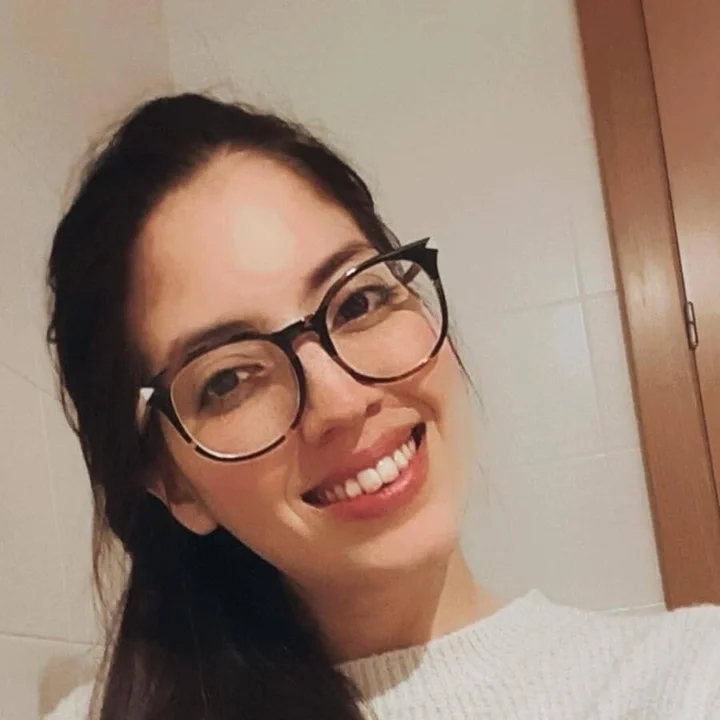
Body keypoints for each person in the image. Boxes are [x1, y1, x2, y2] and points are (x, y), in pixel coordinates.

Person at [46, 94, 720, 720]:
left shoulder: (688, 680)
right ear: (171, 482)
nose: (340, 401)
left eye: (358, 301)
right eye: (228, 380)